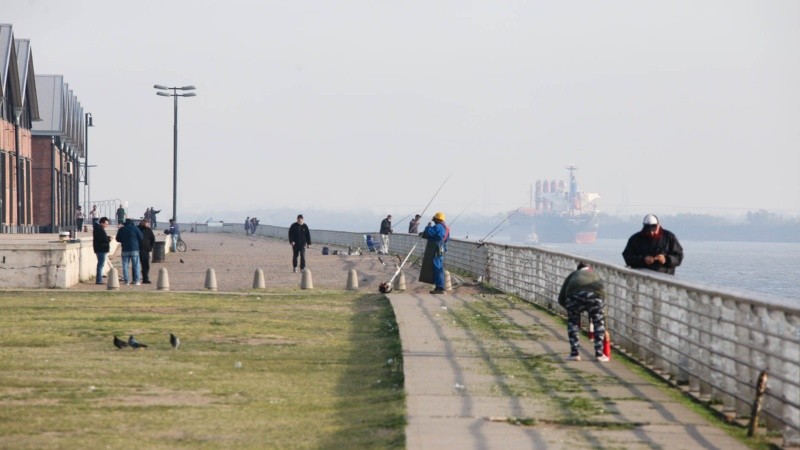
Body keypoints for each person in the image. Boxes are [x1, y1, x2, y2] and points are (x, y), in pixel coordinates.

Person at [558, 262, 608, 362]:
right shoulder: (595, 274)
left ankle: (574, 354)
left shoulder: (573, 275)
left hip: (574, 296)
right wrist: (602, 320)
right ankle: (599, 354)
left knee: (573, 323)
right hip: (596, 297)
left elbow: (561, 299)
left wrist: (572, 311)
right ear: (589, 268)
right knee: (598, 323)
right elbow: (603, 295)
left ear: (578, 269)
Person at [421, 211, 449, 294]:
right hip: (442, 248)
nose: (434, 221)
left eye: (435, 220)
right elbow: (446, 239)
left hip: (436, 248)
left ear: (437, 219)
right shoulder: (446, 228)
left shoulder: (438, 226)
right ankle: (438, 287)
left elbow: (429, 232)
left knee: (437, 267)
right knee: (439, 266)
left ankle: (440, 288)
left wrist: (428, 227)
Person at [115, 219, 143, 285]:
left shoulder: (122, 229)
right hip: (134, 249)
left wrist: (123, 240)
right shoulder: (135, 228)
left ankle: (126, 281)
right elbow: (141, 237)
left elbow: (117, 239)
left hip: (125, 249)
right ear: (132, 223)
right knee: (136, 265)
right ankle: (136, 281)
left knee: (125, 266)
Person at [92, 217, 112, 284]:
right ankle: (99, 280)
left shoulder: (98, 228)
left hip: (99, 248)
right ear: (102, 223)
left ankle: (99, 279)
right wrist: (109, 239)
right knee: (100, 265)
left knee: (100, 264)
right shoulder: (99, 229)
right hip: (101, 249)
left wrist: (107, 237)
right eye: (106, 224)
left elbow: (102, 238)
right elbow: (103, 239)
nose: (107, 225)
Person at [138, 219, 156, 284]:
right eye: (146, 223)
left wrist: (150, 247)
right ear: (141, 223)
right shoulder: (137, 229)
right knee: (136, 265)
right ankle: (135, 279)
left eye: (147, 223)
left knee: (145, 265)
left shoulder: (149, 230)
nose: (147, 224)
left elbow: (153, 239)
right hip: (138, 250)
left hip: (146, 250)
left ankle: (145, 279)